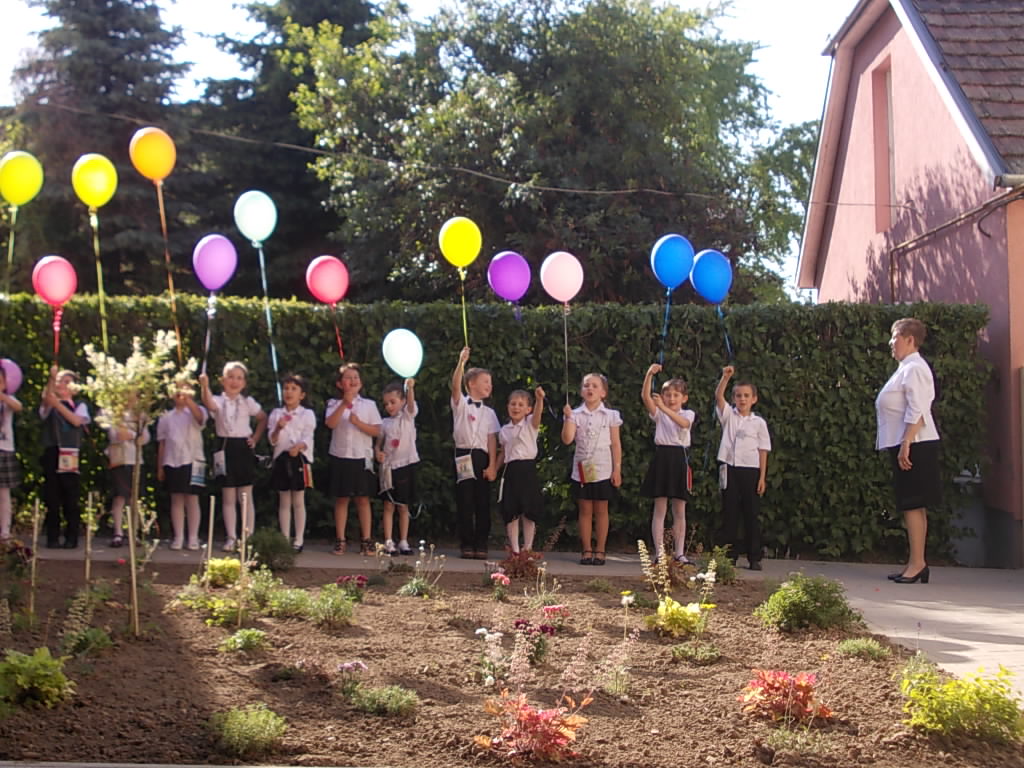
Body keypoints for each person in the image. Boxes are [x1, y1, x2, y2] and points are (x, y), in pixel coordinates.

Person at [876, 317, 940, 584]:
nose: (891, 343)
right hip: (909, 443)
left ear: (910, 339)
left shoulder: (915, 368)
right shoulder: (906, 367)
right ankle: (917, 563)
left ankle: (917, 565)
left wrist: (906, 443)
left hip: (915, 444)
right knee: (912, 505)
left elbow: (918, 408)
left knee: (912, 504)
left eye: (895, 338)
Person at [199, 362, 266, 551]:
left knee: (245, 496)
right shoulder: (219, 400)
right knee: (228, 496)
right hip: (224, 447)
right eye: (230, 377)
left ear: (244, 383)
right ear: (222, 380)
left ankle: (248, 537)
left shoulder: (248, 402)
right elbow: (209, 403)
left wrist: (255, 438)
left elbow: (262, 418)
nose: (234, 381)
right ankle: (231, 537)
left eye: (239, 378)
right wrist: (204, 386)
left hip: (243, 448)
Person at [561, 373, 622, 566]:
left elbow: (616, 444)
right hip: (582, 470)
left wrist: (617, 469)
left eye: (595, 386)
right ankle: (586, 549)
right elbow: (567, 439)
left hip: (604, 469)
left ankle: (601, 549)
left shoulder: (611, 415)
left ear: (603, 392)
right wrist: (567, 418)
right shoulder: (575, 414)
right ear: (581, 391)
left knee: (602, 509)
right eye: (586, 385)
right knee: (585, 509)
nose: (590, 389)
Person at [714, 365, 771, 570]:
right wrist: (725, 377)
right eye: (738, 396)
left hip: (751, 470)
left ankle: (754, 556)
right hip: (730, 467)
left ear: (754, 399)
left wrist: (762, 477)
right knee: (730, 513)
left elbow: (763, 450)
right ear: (734, 399)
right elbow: (718, 396)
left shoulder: (759, 423)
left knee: (751, 513)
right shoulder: (728, 416)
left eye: (746, 396)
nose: (742, 399)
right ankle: (729, 556)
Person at [639, 363, 696, 563]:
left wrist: (663, 407)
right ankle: (660, 553)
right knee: (660, 508)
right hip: (662, 458)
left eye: (676, 395)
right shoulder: (659, 413)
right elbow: (645, 397)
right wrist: (649, 374)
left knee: (679, 509)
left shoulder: (688, 413)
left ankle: (679, 553)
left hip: (679, 458)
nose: (671, 399)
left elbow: (684, 424)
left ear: (684, 398)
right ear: (662, 396)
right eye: (667, 395)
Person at [325, 363, 382, 555]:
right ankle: (340, 539)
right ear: (340, 384)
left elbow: (377, 430)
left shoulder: (369, 405)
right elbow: (330, 423)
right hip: (340, 455)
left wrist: (358, 423)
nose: (353, 380)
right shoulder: (333, 404)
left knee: (363, 499)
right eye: (348, 378)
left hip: (361, 456)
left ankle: (366, 540)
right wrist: (344, 404)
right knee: (342, 499)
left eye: (356, 377)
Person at [450, 347, 499, 560]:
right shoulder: (461, 404)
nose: (489, 385)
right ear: (471, 384)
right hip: (463, 454)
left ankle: (481, 542)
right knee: (465, 501)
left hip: (481, 457)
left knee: (482, 502)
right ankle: (466, 543)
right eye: (485, 381)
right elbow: (455, 386)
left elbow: (492, 440)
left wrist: (492, 465)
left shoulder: (490, 413)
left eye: (490, 382)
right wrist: (461, 362)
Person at [39, 366, 91, 548]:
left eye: (67, 382)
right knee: (52, 496)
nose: (62, 384)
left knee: (70, 495)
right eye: (60, 381)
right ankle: (52, 537)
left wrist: (58, 404)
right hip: (53, 451)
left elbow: (76, 420)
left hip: (70, 452)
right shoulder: (49, 405)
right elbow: (46, 400)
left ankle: (71, 537)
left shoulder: (79, 406)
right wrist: (51, 378)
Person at [157, 379, 208, 551]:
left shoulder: (198, 410)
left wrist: (189, 401)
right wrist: (160, 467)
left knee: (192, 499)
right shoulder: (166, 417)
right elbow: (162, 443)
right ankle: (178, 536)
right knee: (176, 499)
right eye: (177, 389)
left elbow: (200, 419)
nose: (181, 392)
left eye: (185, 389)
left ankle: (193, 537)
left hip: (194, 460)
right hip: (172, 461)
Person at [268, 374, 316, 553]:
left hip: (299, 459)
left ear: (302, 395)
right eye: (286, 388)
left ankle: (299, 539)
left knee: (298, 500)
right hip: (282, 459)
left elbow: (309, 436)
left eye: (294, 389)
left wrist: (299, 446)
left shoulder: (307, 414)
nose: (289, 392)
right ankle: (284, 538)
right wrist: (278, 428)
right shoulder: (276, 414)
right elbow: (272, 440)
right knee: (284, 500)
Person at [497, 386, 545, 555]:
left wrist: (539, 399)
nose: (516, 407)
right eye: (513, 404)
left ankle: (528, 549)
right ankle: (515, 550)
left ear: (528, 409)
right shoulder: (504, 431)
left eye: (520, 404)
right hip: (511, 470)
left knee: (529, 511)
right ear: (508, 406)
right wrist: (494, 469)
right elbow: (503, 453)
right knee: (512, 510)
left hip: (527, 469)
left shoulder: (530, 424)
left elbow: (538, 415)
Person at [376, 378, 419, 556]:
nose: (389, 406)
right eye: (386, 403)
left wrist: (410, 388)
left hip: (406, 465)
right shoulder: (384, 423)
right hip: (389, 468)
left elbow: (411, 405)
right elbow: (379, 443)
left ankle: (403, 540)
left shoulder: (408, 416)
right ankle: (388, 541)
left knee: (403, 506)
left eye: (393, 402)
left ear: (402, 401)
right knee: (388, 505)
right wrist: (378, 452)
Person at [103, 400, 151, 547]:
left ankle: (134, 532)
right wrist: (134, 435)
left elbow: (145, 438)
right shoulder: (112, 413)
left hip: (136, 460)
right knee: (119, 496)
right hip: (119, 459)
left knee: (134, 498)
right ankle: (118, 533)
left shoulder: (140, 415)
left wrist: (131, 435)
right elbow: (115, 435)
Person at [0, 366, 23, 540]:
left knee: (4, 493)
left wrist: (2, 396)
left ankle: (5, 531)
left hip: (4, 447)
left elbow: (18, 407)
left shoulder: (8, 398)